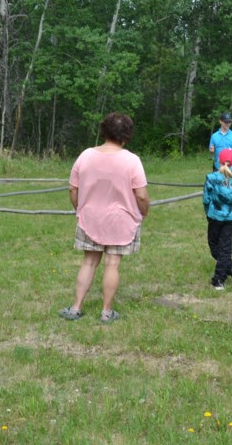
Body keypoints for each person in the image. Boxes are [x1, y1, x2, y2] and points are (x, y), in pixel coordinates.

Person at [60, 113, 150, 323]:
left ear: (104, 131)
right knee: (112, 264)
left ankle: (76, 308)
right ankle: (106, 311)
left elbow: (73, 189)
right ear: (126, 135)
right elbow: (142, 195)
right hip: (121, 221)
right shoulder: (132, 160)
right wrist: (143, 211)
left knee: (89, 262)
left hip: (90, 218)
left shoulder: (85, 156)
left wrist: (80, 209)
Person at [203, 149, 232, 290]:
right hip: (231, 217)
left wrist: (207, 212)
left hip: (215, 216)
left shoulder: (212, 178)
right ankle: (231, 269)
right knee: (225, 246)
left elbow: (206, 199)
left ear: (218, 161)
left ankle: (219, 279)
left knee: (214, 245)